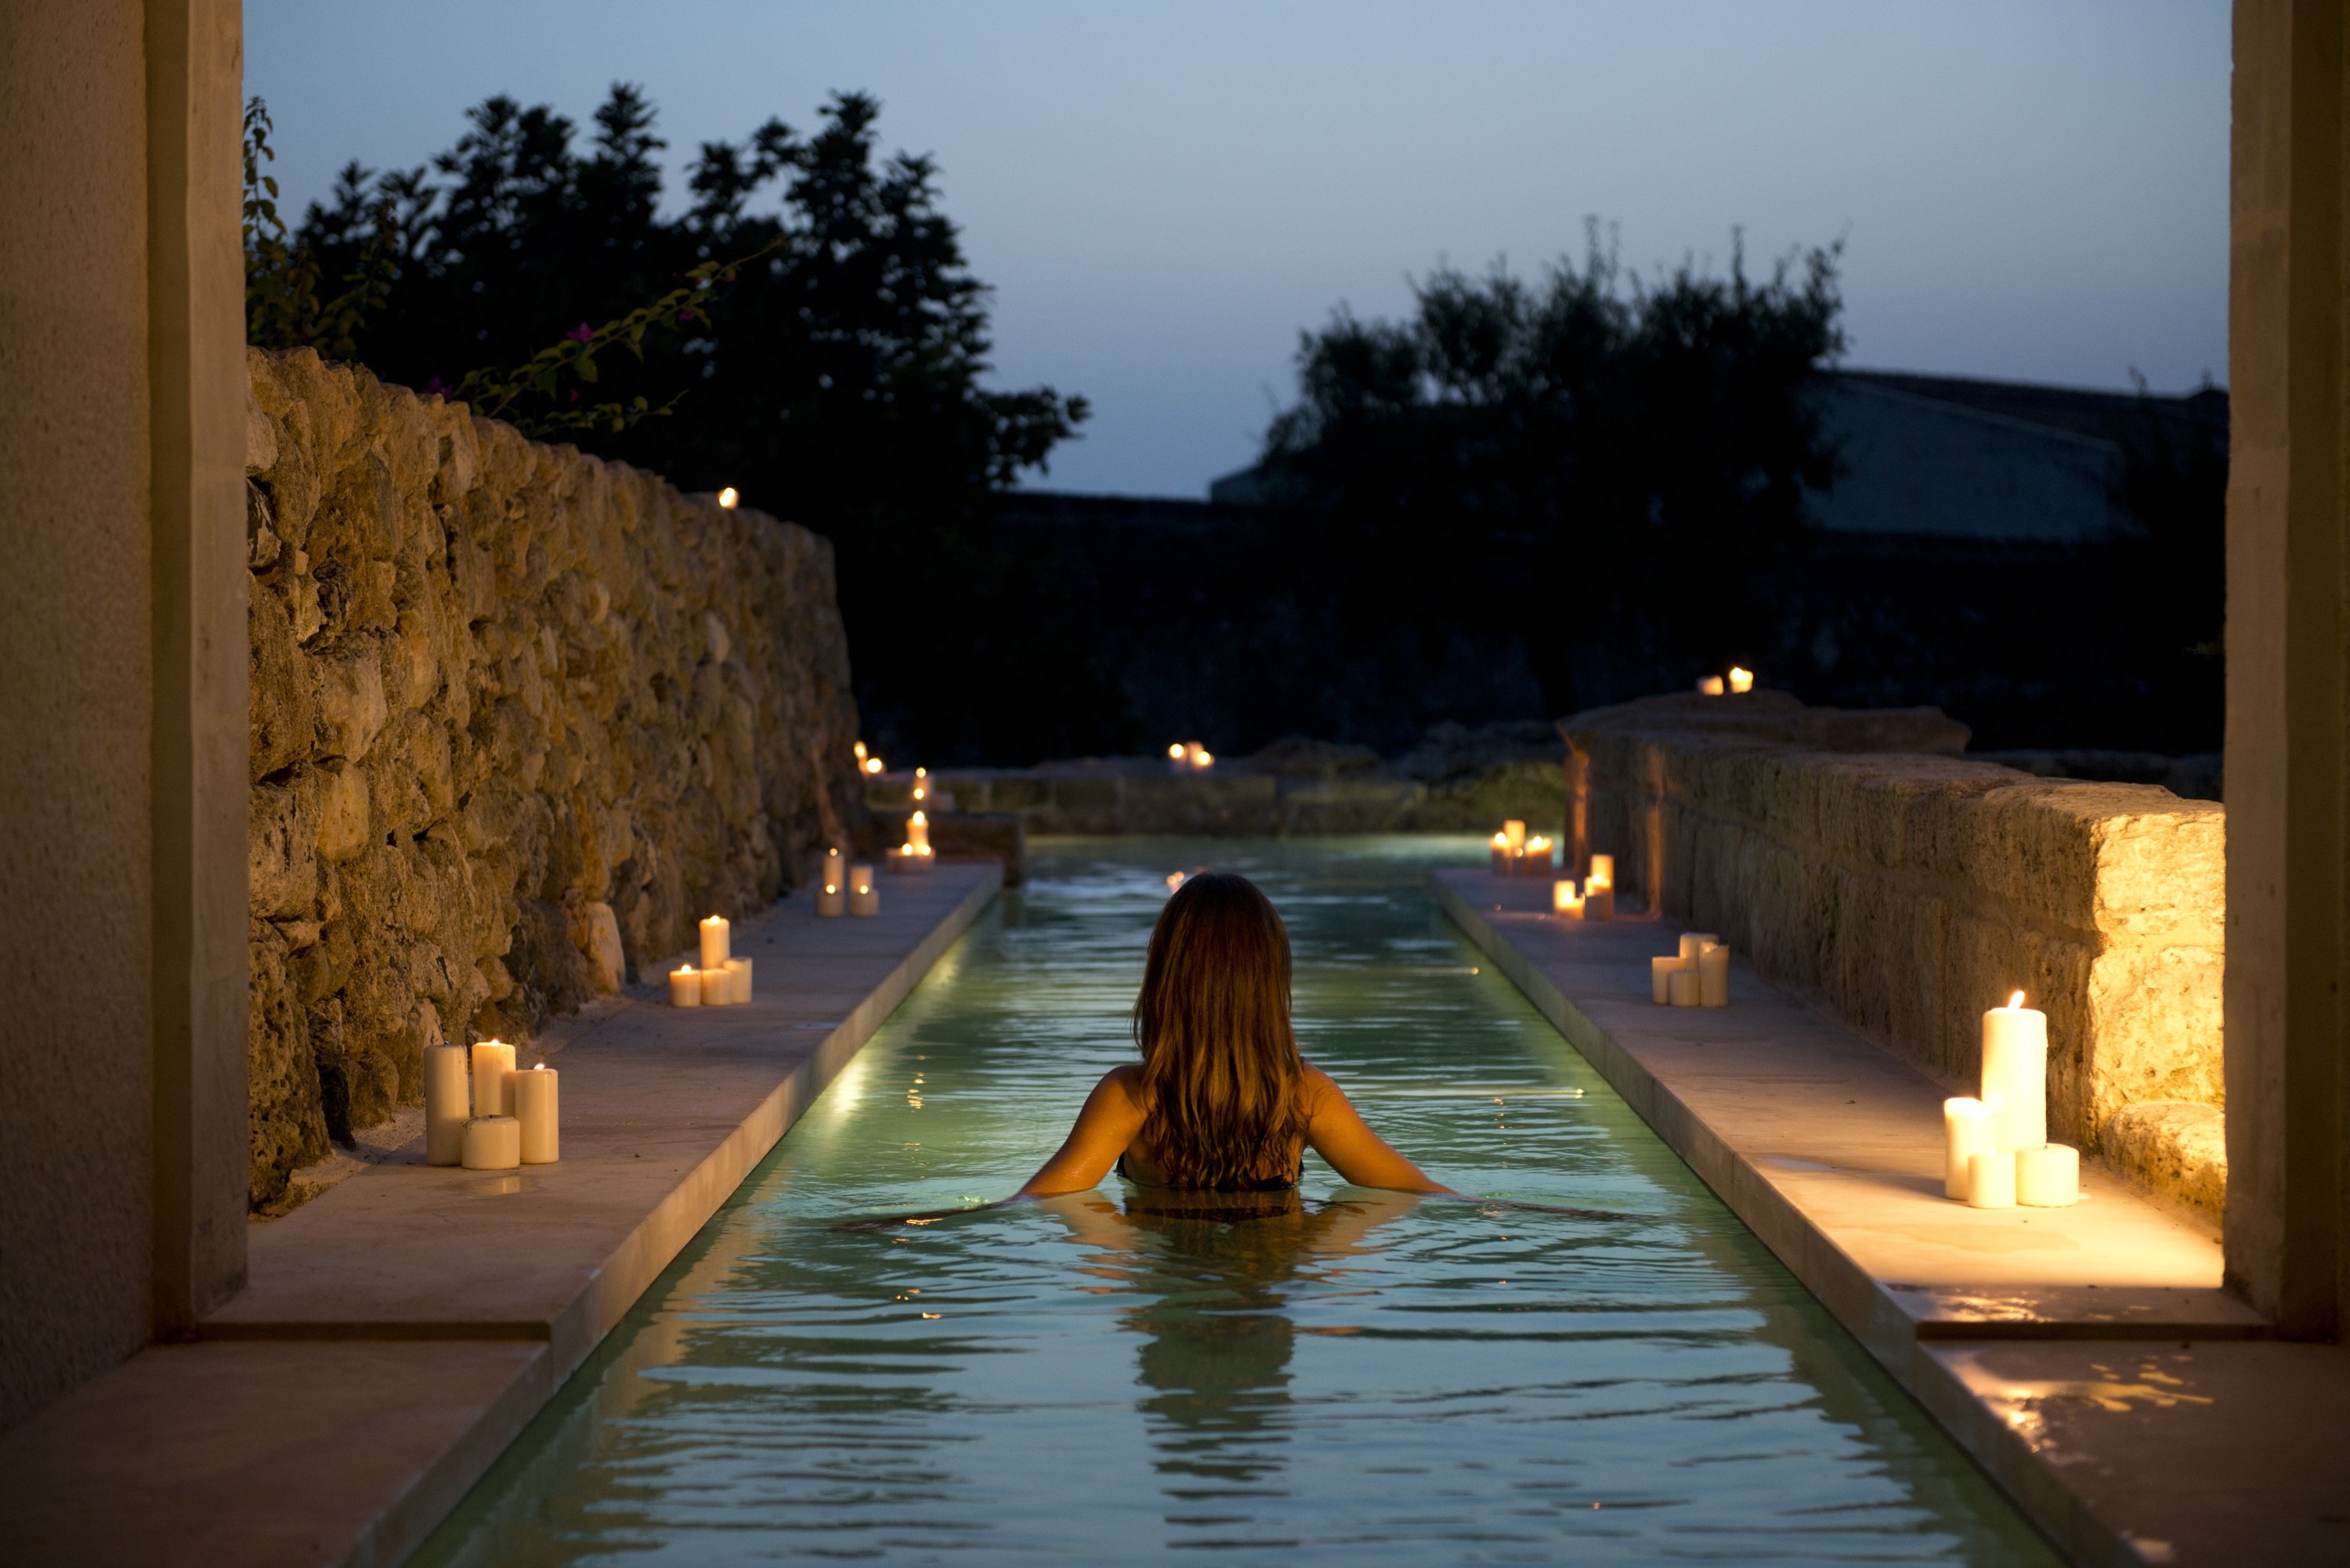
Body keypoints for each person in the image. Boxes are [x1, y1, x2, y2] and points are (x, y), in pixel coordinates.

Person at [1019, 871, 1450, 1198]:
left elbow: (1038, 1203)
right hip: (1273, 1275)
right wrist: (1322, 1239)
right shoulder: (1303, 1095)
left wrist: (1122, 1242)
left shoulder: (1131, 1097)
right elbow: (1423, 1196)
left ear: (1165, 979)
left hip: (1171, 1274)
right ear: (1270, 982)